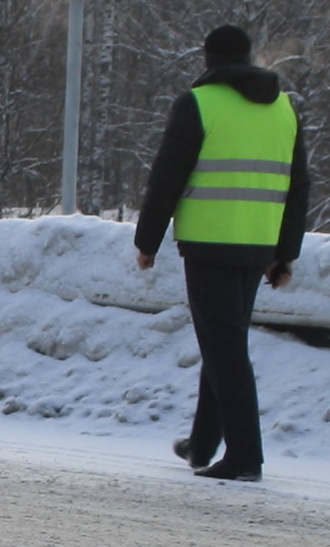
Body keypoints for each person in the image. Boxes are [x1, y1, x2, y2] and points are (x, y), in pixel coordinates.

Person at [132, 24, 312, 482]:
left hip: (211, 243)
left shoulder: (199, 104)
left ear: (207, 59)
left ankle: (245, 456)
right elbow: (298, 187)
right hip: (258, 245)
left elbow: (167, 176)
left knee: (226, 349)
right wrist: (285, 253)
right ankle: (202, 444)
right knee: (224, 343)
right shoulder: (284, 110)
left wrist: (147, 241)